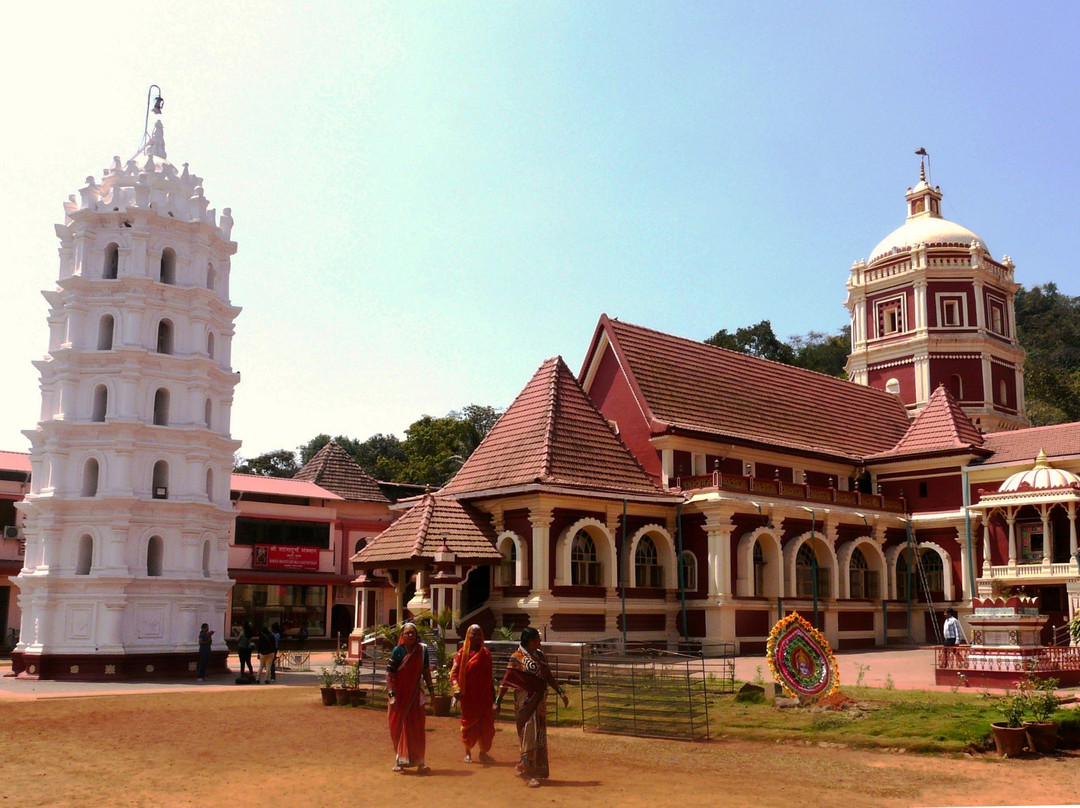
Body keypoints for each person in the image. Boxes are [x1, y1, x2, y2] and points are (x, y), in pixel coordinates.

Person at [496, 627, 569, 788]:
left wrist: (561, 692)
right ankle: (529, 773)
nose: (540, 642)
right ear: (530, 641)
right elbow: (506, 681)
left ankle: (529, 766)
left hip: (540, 702)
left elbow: (548, 676)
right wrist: (498, 701)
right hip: (525, 703)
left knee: (538, 735)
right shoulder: (516, 658)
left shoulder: (541, 656)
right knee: (528, 735)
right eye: (537, 639)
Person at [385, 622, 434, 774]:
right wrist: (391, 696)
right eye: (408, 633)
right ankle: (400, 761)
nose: (411, 635)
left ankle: (420, 761)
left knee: (417, 727)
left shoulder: (422, 651)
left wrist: (432, 693)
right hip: (400, 696)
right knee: (401, 726)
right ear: (403, 636)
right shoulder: (398, 651)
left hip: (415, 696)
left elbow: (426, 672)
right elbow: (389, 675)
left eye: (413, 632)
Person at [450, 624, 496, 763]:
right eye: (473, 634)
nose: (476, 637)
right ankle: (468, 752)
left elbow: (489, 677)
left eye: (478, 634)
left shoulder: (486, 654)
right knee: (469, 726)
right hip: (469, 698)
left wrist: (494, 699)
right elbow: (453, 674)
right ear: (468, 636)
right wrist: (456, 688)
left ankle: (483, 753)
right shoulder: (462, 654)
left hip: (485, 697)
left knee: (487, 727)